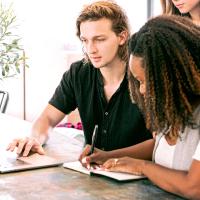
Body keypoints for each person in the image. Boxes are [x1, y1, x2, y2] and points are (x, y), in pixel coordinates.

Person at [7, 1, 151, 157]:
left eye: (100, 39)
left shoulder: (145, 76)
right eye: (85, 40)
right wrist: (34, 139)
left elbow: (161, 144)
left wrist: (108, 157)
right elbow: (48, 118)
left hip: (140, 176)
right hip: (93, 172)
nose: (91, 49)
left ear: (122, 37)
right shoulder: (79, 73)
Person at [95, 15, 200, 199]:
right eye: (138, 81)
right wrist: (109, 156)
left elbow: (194, 187)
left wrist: (141, 166)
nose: (142, 90)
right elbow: (160, 146)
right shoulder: (174, 106)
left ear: (174, 75)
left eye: (146, 81)